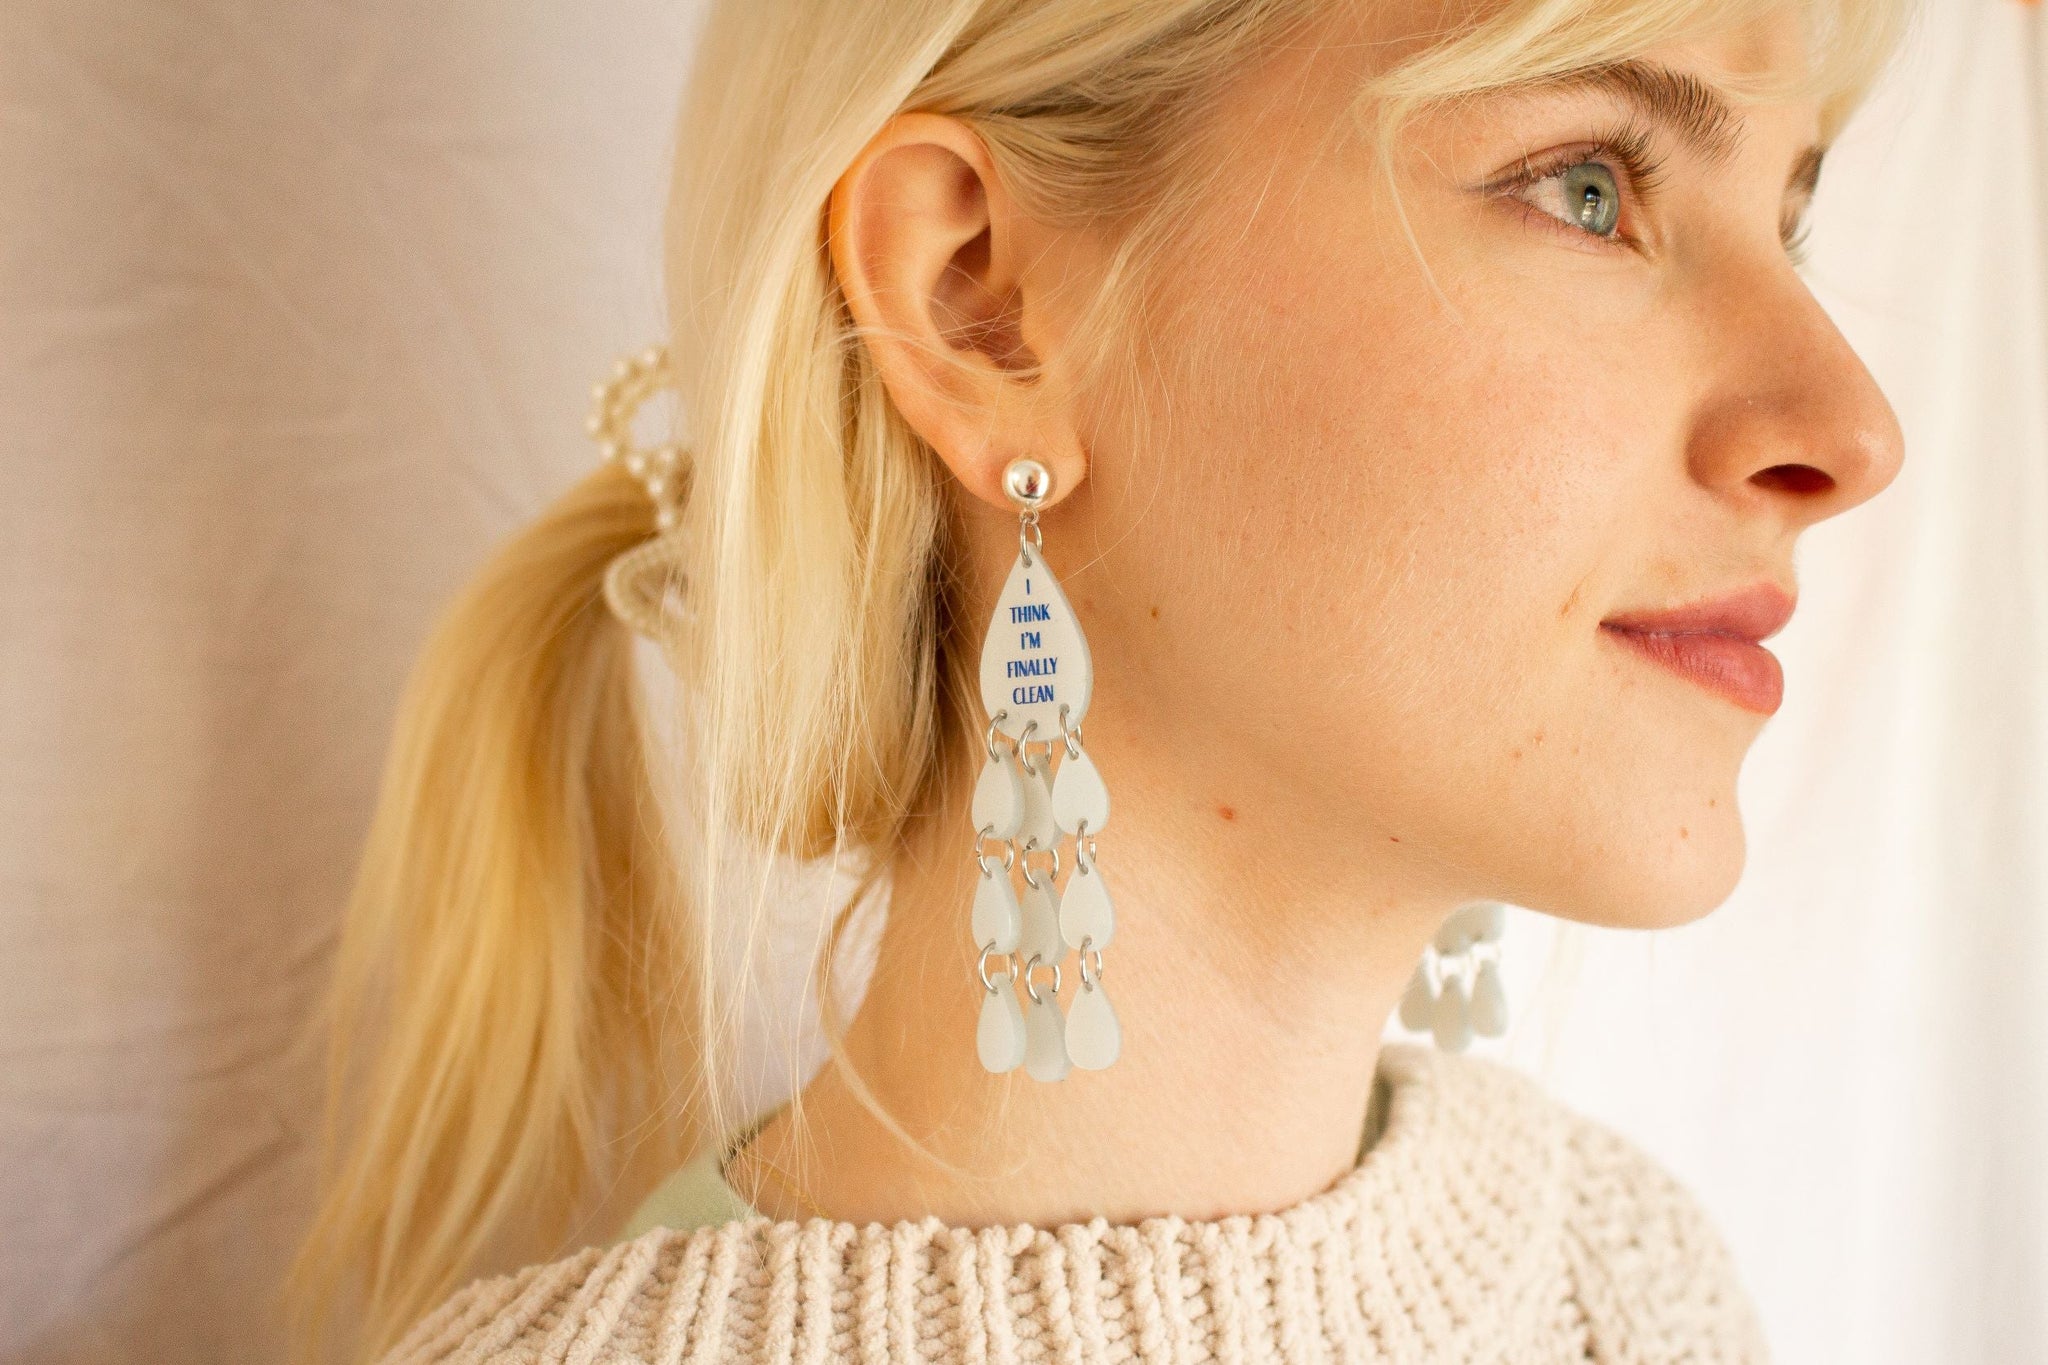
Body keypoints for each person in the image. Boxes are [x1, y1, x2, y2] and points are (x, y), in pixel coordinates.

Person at [285, 0, 1915, 1359]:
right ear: (981, 306)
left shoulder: (1630, 1289)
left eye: (1788, 222)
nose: (1851, 429)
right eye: (1587, 186)